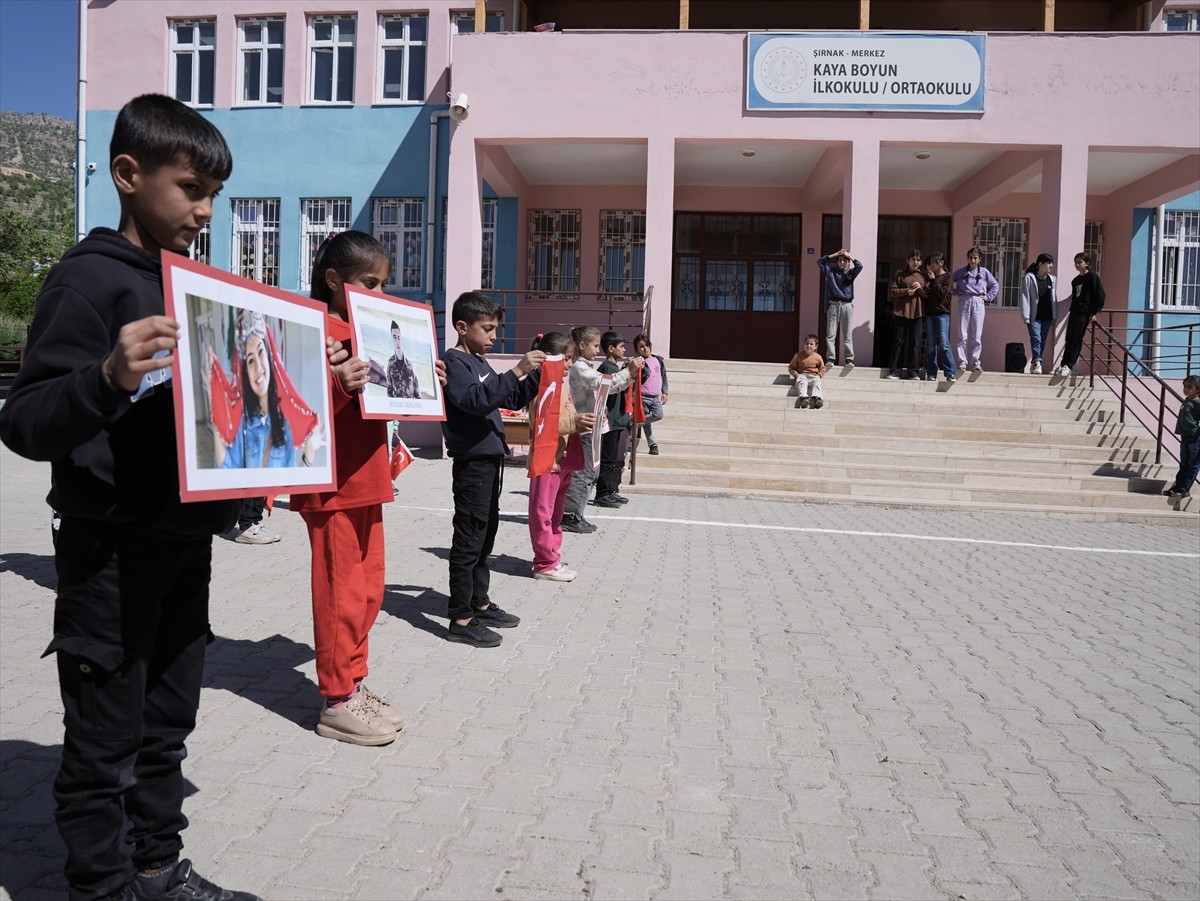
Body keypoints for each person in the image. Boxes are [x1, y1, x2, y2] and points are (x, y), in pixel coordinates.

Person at [0, 94, 260, 901]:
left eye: (214, 192)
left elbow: (221, 409)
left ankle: (154, 867)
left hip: (185, 544)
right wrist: (107, 377)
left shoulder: (196, 285)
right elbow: (25, 419)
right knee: (103, 743)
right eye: (190, 188)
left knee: (166, 728)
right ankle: (102, 887)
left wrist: (266, 453)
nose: (204, 209)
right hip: (108, 554)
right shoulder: (87, 281)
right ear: (127, 173)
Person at [290, 231, 403, 745]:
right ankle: (336, 702)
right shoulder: (312, 328)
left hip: (368, 477)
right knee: (340, 593)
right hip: (330, 485)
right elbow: (296, 406)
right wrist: (339, 383)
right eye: (369, 283)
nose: (379, 295)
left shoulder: (375, 329)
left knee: (369, 590)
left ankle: (355, 684)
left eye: (384, 285)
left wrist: (423, 381)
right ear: (334, 281)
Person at [442, 290, 544, 648]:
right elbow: (475, 400)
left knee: (485, 537)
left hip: (490, 460)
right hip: (472, 462)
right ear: (462, 327)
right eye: (487, 329)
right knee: (469, 538)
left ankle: (479, 602)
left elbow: (509, 397)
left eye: (495, 329)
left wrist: (536, 375)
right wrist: (518, 368)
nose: (493, 336)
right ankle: (460, 617)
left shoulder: (480, 363)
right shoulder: (455, 362)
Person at [206, 307, 321, 469]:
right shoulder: (243, 422)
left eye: (261, 353)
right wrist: (213, 396)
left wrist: (310, 451)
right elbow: (227, 467)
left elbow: (292, 486)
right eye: (251, 361)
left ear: (269, 358)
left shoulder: (284, 425)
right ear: (246, 372)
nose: (258, 367)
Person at [526, 332, 596, 582]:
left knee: (556, 513)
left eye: (571, 359)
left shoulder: (560, 385)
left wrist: (582, 421)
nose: (569, 364)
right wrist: (575, 422)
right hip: (547, 462)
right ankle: (544, 562)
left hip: (562, 460)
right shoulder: (540, 387)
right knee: (542, 513)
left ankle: (552, 556)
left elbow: (565, 418)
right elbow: (543, 423)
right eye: (566, 359)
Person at [561, 326, 640, 534]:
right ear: (582, 345)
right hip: (585, 427)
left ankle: (576, 513)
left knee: (590, 471)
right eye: (595, 345)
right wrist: (627, 372)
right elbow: (602, 382)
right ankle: (570, 514)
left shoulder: (586, 366)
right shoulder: (579, 367)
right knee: (584, 472)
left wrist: (629, 376)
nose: (598, 350)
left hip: (593, 426)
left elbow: (610, 387)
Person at [595, 330, 645, 508]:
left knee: (612, 458)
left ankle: (609, 490)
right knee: (607, 459)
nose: (624, 350)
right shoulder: (608, 368)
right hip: (610, 419)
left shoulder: (615, 368)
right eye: (621, 347)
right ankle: (602, 494)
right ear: (610, 348)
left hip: (617, 419)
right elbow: (613, 388)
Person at [1056, 252, 1106, 377]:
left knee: (1077, 339)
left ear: (1087, 263)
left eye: (1080, 262)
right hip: (1074, 311)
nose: (1077, 264)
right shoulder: (1076, 281)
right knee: (1069, 338)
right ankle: (1063, 365)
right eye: (1076, 262)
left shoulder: (1092, 277)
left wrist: (1093, 312)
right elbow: (1075, 297)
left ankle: (1069, 365)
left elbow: (1100, 295)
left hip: (1084, 312)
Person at [952, 246, 999, 372]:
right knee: (962, 333)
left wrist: (988, 296)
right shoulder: (961, 272)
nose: (973, 260)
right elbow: (949, 281)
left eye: (975, 258)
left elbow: (995, 285)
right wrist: (955, 291)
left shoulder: (984, 272)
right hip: (964, 300)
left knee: (976, 333)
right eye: (971, 257)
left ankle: (975, 361)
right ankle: (962, 361)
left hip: (978, 301)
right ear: (967, 258)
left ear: (980, 259)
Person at [818, 248, 862, 367]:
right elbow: (820, 262)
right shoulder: (831, 271)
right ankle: (830, 358)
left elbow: (859, 266)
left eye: (845, 260)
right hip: (833, 304)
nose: (842, 262)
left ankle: (849, 359)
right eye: (840, 260)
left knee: (847, 334)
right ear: (837, 262)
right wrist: (836, 254)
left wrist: (850, 256)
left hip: (847, 305)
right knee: (831, 334)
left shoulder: (850, 273)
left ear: (848, 262)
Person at [888, 249, 926, 380]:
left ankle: (913, 371)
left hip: (918, 313)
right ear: (908, 261)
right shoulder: (900, 274)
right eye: (913, 259)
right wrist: (906, 291)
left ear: (921, 262)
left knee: (915, 342)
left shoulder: (924, 277)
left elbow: (928, 295)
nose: (915, 262)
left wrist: (920, 289)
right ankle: (895, 371)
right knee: (899, 341)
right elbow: (892, 291)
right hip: (901, 311)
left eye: (918, 260)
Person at [1163, 375, 1200, 500]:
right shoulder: (1186, 400)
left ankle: (1185, 488)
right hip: (1185, 437)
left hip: (1195, 438)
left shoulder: (1198, 403)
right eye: (1184, 386)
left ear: (1198, 389)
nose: (1186, 389)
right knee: (1183, 463)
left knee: (1193, 464)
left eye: (1189, 387)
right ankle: (1178, 486)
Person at [1021, 253, 1057, 375]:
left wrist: (1054, 316)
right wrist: (1026, 316)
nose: (1051, 266)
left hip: (1047, 315)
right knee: (1036, 338)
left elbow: (1054, 298)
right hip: (1034, 316)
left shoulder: (1052, 279)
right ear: (1040, 264)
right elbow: (1025, 297)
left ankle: (1036, 362)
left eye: (1052, 263)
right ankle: (1037, 362)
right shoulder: (1029, 278)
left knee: (1042, 340)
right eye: (1048, 263)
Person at [924, 252, 957, 382]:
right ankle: (931, 372)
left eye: (933, 263)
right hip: (930, 314)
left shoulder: (947, 276)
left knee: (944, 343)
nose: (931, 265)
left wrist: (933, 280)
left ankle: (950, 372)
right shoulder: (929, 278)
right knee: (931, 345)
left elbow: (943, 293)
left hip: (943, 314)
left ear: (941, 263)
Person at [633, 333, 668, 454]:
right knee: (647, 424)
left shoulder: (658, 360)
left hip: (655, 397)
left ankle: (635, 423)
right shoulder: (639, 362)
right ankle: (653, 445)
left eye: (647, 345)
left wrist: (665, 391)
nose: (645, 348)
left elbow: (663, 376)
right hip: (643, 396)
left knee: (658, 415)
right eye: (641, 347)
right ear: (637, 350)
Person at [788, 334, 827, 408]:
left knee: (817, 381)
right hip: (802, 375)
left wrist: (819, 375)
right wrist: (796, 374)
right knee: (802, 382)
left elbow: (822, 369)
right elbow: (791, 367)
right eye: (806, 344)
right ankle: (803, 398)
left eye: (811, 344)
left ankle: (817, 398)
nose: (808, 346)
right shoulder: (798, 355)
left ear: (816, 346)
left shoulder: (818, 357)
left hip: (813, 375)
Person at [386, 320, 420, 398]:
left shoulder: (410, 365)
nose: (397, 341)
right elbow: (389, 390)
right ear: (391, 338)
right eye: (394, 337)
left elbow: (417, 393)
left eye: (398, 337)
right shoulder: (390, 363)